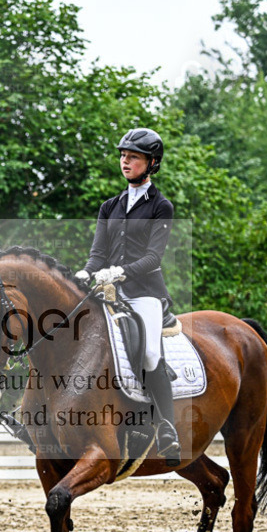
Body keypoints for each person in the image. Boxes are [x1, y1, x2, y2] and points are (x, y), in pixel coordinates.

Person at [73, 128, 181, 466]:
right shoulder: (110, 206)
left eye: (133, 156)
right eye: (123, 155)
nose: (125, 161)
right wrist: (85, 273)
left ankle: (166, 426)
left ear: (151, 163)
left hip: (144, 294)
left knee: (149, 353)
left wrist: (119, 273)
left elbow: (153, 258)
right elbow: (97, 253)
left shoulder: (161, 207)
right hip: (108, 292)